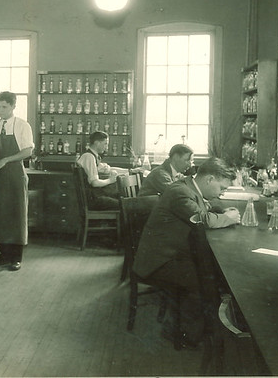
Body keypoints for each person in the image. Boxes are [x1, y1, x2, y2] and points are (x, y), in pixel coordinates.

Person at [133, 157, 241, 347]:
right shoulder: (180, 192)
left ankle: (201, 328)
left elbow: (204, 205)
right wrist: (229, 218)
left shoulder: (189, 186)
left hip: (172, 253)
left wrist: (222, 211)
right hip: (158, 261)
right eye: (222, 188)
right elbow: (202, 219)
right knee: (202, 280)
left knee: (211, 275)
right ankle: (184, 334)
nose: (222, 193)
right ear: (209, 179)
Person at [0, 91, 34, 271]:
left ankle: (16, 258)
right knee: (1, 215)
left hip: (15, 176)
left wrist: (5, 160)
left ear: (13, 106)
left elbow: (28, 151)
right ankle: (3, 256)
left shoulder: (22, 126)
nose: (1, 110)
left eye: (4, 107)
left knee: (16, 215)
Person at [75, 131, 120, 209]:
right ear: (97, 143)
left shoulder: (93, 156)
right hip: (93, 200)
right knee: (124, 204)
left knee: (122, 199)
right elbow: (95, 183)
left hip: (95, 196)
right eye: (105, 144)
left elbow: (108, 169)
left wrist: (130, 171)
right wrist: (110, 180)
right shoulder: (89, 157)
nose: (107, 147)